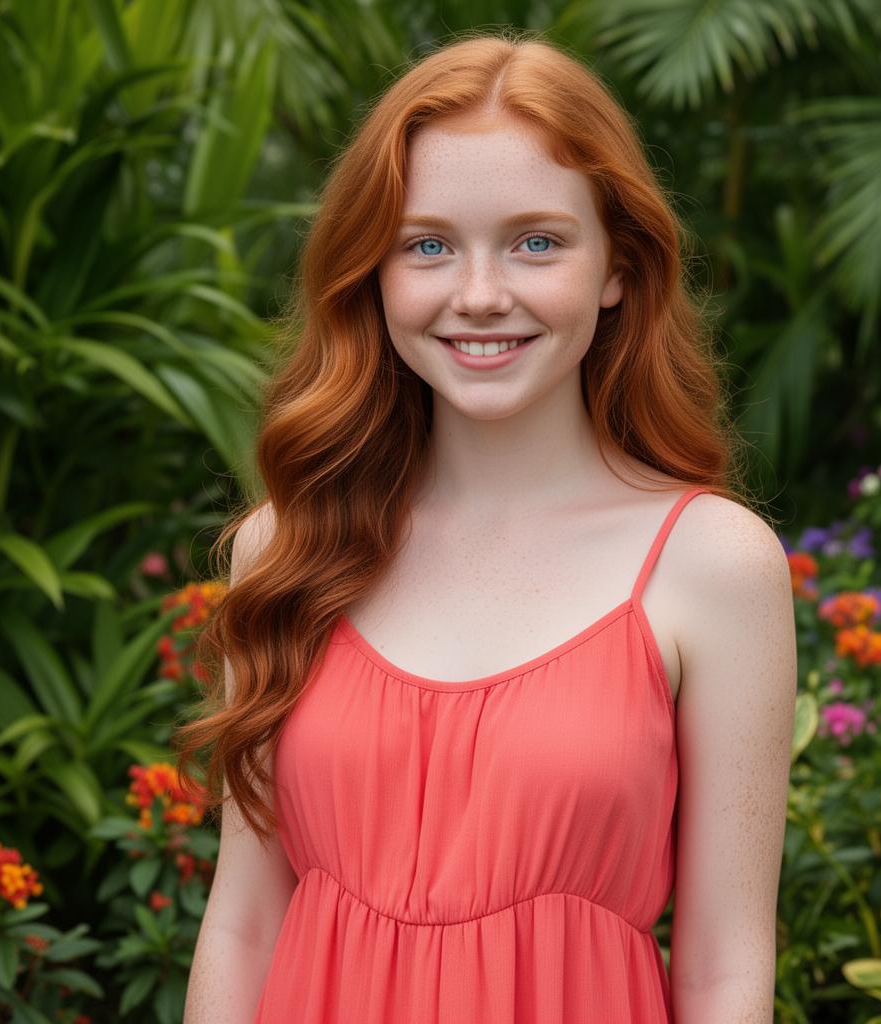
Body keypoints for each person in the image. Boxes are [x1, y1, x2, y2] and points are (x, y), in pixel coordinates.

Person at [179, 27, 797, 1024]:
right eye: (426, 244)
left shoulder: (711, 566)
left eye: (535, 241)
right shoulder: (288, 547)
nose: (478, 295)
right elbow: (243, 922)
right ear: (372, 275)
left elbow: (726, 972)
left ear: (617, 268)